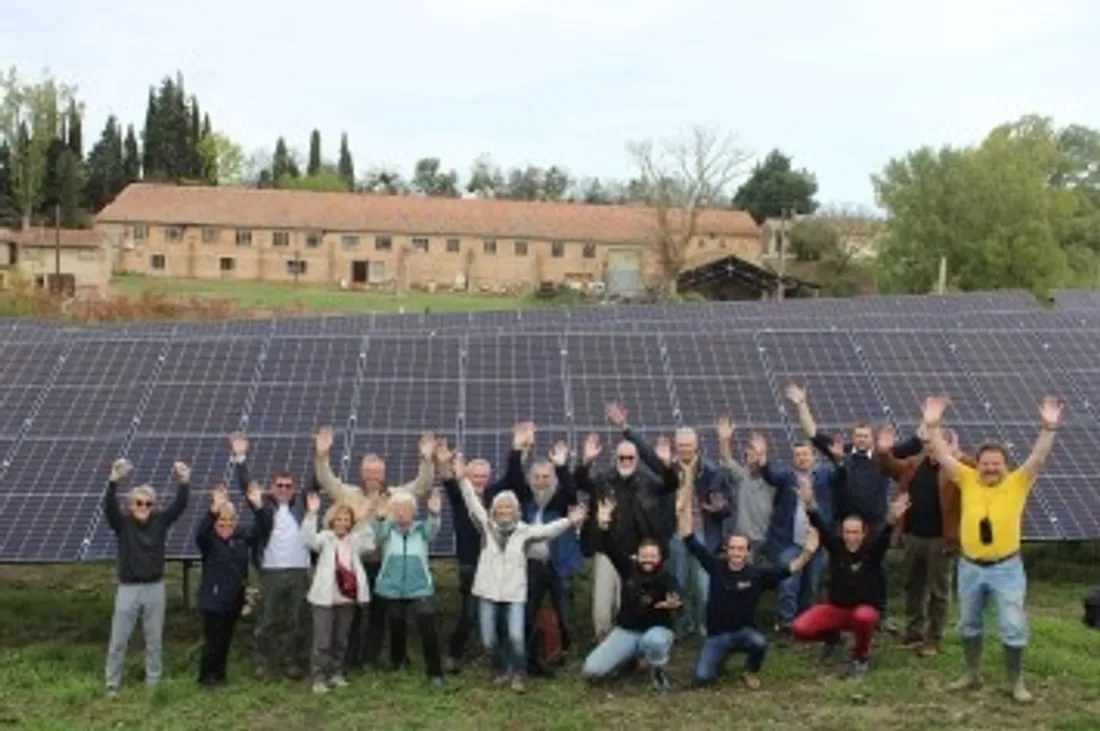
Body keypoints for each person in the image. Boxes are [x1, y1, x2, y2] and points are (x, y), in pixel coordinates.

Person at [921, 394, 1063, 704]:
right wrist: (932, 425)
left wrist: (1048, 429)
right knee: (969, 625)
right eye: (985, 463)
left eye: (996, 464)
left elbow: (1037, 459)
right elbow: (944, 456)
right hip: (970, 566)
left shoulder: (1017, 482)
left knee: (1013, 627)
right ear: (978, 464)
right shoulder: (967, 478)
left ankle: (1016, 681)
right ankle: (972, 674)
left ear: (1005, 465)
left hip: (1006, 569)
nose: (990, 469)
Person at [447, 449, 588, 692]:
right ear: (493, 511)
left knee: (516, 636)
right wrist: (462, 479)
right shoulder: (487, 527)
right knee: (489, 641)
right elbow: (472, 503)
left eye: (508, 508)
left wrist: (570, 521)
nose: (503, 512)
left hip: (514, 594)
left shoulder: (524, 532)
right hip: (488, 592)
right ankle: (503, 668)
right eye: (500, 509)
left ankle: (519, 674)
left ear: (516, 511)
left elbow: (547, 531)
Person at [786, 383, 922, 622]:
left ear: (872, 438)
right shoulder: (843, 452)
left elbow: (916, 442)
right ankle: (836, 612)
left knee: (877, 568)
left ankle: (879, 612)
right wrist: (801, 405)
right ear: (853, 437)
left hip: (876, 523)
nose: (861, 439)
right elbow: (813, 434)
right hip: (845, 526)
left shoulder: (884, 453)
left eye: (865, 436)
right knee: (838, 569)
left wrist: (928, 420)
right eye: (857, 435)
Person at [313, 427, 436, 670]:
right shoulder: (347, 493)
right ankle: (349, 660)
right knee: (353, 613)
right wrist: (321, 457)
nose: (372, 476)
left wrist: (426, 459)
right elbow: (326, 479)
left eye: (377, 472)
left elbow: (422, 485)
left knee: (379, 614)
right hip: (353, 563)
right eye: (368, 472)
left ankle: (370, 658)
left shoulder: (397, 495)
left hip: (385, 564)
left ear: (384, 473)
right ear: (361, 472)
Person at [610, 401, 731, 639]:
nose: (685, 449)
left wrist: (718, 508)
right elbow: (645, 451)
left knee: (704, 586)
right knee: (680, 583)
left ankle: (703, 625)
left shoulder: (712, 471)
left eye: (689, 445)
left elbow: (727, 504)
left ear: (697, 446)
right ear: (677, 446)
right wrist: (626, 427)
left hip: (702, 535)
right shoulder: (667, 467)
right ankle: (682, 626)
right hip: (676, 534)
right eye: (682, 445)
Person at [677, 508, 818, 688]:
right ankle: (719, 658)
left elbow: (789, 570)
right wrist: (683, 507)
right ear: (726, 550)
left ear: (747, 552)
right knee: (702, 679)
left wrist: (808, 552)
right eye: (733, 548)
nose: (736, 553)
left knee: (759, 642)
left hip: (744, 633)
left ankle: (749, 671)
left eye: (741, 549)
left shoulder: (757, 574)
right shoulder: (715, 566)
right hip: (717, 636)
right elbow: (689, 540)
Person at [792, 476, 910, 679]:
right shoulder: (836, 547)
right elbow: (820, 526)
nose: (850, 537)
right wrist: (809, 504)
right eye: (847, 532)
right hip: (838, 609)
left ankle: (860, 657)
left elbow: (884, 535)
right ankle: (833, 639)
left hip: (865, 610)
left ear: (863, 534)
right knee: (800, 629)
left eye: (855, 532)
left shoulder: (872, 551)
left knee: (863, 618)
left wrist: (892, 518)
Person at [876, 423, 974, 657]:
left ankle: (934, 638)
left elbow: (981, 471)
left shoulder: (958, 469)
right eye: (928, 443)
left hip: (941, 539)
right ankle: (913, 632)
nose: (931, 448)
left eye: (938, 443)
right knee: (913, 585)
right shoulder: (913, 464)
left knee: (938, 591)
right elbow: (889, 466)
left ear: (950, 445)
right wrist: (884, 451)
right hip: (912, 536)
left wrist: (958, 455)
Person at [437, 424, 527, 672]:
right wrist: (444, 462)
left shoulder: (496, 494)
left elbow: (513, 478)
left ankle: (504, 661)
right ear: (467, 476)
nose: (480, 480)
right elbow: (446, 478)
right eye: (475, 476)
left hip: (498, 564)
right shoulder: (459, 495)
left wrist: (517, 448)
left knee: (499, 612)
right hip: (470, 562)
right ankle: (454, 655)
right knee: (469, 613)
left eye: (483, 476)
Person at [576, 432, 678, 640]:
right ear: (616, 457)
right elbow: (580, 482)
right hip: (608, 547)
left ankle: (635, 643)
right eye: (622, 457)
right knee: (603, 601)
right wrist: (586, 461)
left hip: (639, 552)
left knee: (634, 599)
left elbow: (670, 485)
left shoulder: (647, 481)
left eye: (630, 457)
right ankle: (603, 639)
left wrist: (667, 465)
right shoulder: (604, 479)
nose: (626, 461)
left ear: (637, 459)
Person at [102, 458, 190, 697]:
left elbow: (180, 506)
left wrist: (183, 481)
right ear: (130, 505)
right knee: (118, 640)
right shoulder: (123, 524)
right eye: (138, 503)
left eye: (148, 503)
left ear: (153, 505)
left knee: (154, 640)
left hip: (155, 587)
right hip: (128, 588)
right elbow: (108, 507)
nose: (143, 506)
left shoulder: (160, 522)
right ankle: (112, 686)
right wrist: (113, 481)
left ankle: (153, 684)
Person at [229, 433, 311, 680]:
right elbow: (247, 487)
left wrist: (321, 454)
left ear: (294, 489)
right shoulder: (264, 507)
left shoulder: (304, 506)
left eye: (288, 486)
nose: (284, 490)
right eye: (279, 486)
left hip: (299, 571)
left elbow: (319, 482)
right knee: (268, 619)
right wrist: (240, 458)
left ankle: (290, 661)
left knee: (296, 620)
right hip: (272, 571)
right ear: (273, 488)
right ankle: (262, 663)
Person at [581, 498, 680, 694]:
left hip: (656, 631)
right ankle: (629, 658)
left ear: (660, 558)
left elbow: (676, 598)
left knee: (654, 641)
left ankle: (658, 673)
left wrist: (674, 603)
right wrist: (604, 524)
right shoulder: (628, 569)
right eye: (644, 556)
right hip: (627, 631)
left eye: (653, 556)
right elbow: (610, 547)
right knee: (591, 671)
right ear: (637, 556)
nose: (648, 560)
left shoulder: (667, 577)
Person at [753, 431, 842, 644]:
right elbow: (770, 476)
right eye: (798, 455)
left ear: (814, 456)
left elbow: (841, 475)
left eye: (806, 454)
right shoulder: (786, 477)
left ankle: (805, 625)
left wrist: (838, 459)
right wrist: (763, 457)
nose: (802, 458)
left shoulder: (825, 476)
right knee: (788, 584)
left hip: (818, 542)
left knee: (811, 585)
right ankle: (786, 625)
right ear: (794, 458)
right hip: (790, 543)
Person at [507, 433, 583, 672]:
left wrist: (560, 466)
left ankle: (565, 651)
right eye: (537, 477)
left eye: (546, 477)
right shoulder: (526, 500)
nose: (541, 481)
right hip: (532, 565)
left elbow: (572, 490)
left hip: (559, 563)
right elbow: (513, 478)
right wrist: (517, 451)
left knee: (564, 612)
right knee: (530, 609)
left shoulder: (560, 501)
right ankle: (532, 655)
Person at [194, 481, 269, 689]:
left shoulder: (241, 538)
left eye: (230, 521)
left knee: (225, 640)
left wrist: (258, 505)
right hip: (213, 600)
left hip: (234, 599)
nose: (225, 525)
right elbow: (200, 532)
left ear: (235, 522)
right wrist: (213, 509)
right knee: (212, 642)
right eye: (221, 522)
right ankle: (205, 679)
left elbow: (262, 526)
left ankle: (220, 676)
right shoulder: (208, 542)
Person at [300, 494, 377, 694]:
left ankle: (336, 673)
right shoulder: (325, 539)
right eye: (339, 519)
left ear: (351, 522)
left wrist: (367, 520)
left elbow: (370, 545)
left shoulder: (354, 541)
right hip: (324, 599)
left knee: (341, 640)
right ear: (332, 521)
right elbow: (307, 540)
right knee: (322, 640)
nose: (342, 523)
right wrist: (311, 514)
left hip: (347, 598)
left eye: (346, 520)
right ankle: (318, 677)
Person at [371, 488, 446, 685]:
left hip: (419, 586)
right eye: (396, 508)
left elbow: (434, 528)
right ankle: (398, 662)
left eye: (405, 508)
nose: (401, 512)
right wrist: (379, 518)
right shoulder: (387, 529)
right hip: (392, 586)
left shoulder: (422, 529)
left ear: (413, 511)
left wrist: (435, 513)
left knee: (427, 625)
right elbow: (377, 535)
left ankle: (435, 672)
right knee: (397, 624)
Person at [716, 416, 774, 556]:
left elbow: (764, 466)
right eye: (750, 450)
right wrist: (724, 440)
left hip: (767, 541)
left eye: (757, 450)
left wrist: (761, 455)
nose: (753, 454)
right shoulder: (742, 476)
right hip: (742, 542)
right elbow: (728, 460)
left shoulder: (773, 478)